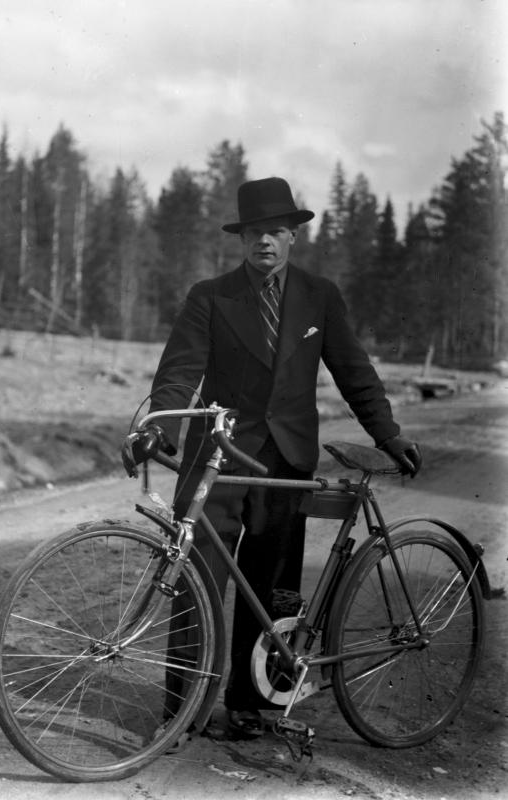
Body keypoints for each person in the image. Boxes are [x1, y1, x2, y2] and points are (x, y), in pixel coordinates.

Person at [122, 176, 421, 739]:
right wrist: (161, 423)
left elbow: (354, 372)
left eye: (276, 231)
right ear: (242, 238)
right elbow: (180, 370)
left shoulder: (319, 296)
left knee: (271, 586)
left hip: (285, 464)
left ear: (292, 237)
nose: (265, 241)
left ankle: (250, 704)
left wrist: (389, 435)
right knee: (194, 581)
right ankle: (181, 712)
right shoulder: (210, 296)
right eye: (256, 232)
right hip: (217, 457)